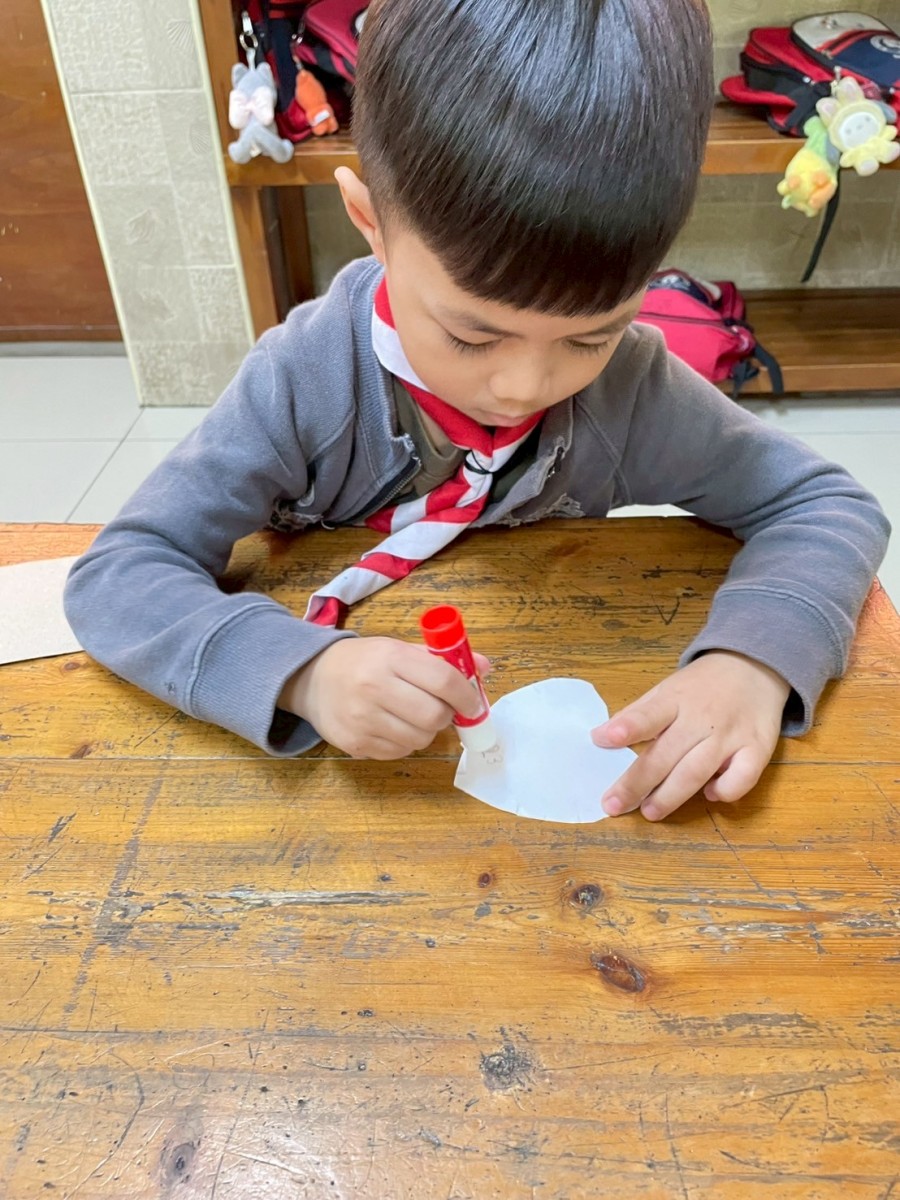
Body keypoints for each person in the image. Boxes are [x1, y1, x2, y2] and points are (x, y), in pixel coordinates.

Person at [64, 0, 889, 822]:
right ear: (370, 222)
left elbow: (824, 505)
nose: (524, 387)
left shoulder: (633, 390)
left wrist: (753, 661)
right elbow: (121, 573)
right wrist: (303, 672)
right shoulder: (302, 382)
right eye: (471, 335)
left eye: (591, 335)